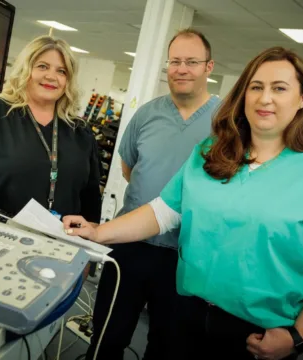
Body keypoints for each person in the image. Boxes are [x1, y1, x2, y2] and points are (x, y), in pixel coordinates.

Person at [63, 46, 303, 360]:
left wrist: (296, 337)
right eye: (256, 87)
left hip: (258, 335)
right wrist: (99, 232)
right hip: (183, 313)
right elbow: (164, 212)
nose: (265, 98)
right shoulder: (213, 151)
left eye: (279, 88)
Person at [84, 29, 220, 360]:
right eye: (175, 61)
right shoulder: (147, 114)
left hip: (186, 255)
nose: (181, 69)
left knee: (167, 347)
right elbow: (129, 169)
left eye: (191, 61)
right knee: (106, 338)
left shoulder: (227, 122)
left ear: (209, 67)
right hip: (130, 247)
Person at [0, 35, 101, 224]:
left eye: (61, 71)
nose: (51, 77)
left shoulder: (81, 132)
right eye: (42, 66)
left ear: (68, 81)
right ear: (24, 70)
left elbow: (91, 202)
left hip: (61, 243)